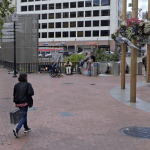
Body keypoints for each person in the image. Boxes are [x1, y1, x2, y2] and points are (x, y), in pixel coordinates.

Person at [13, 73, 34, 138]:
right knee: (23, 116)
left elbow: (14, 94)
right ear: (25, 77)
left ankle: (26, 128)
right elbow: (31, 93)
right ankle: (17, 129)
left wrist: (15, 101)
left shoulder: (16, 85)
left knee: (23, 115)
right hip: (25, 102)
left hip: (18, 102)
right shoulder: (28, 84)